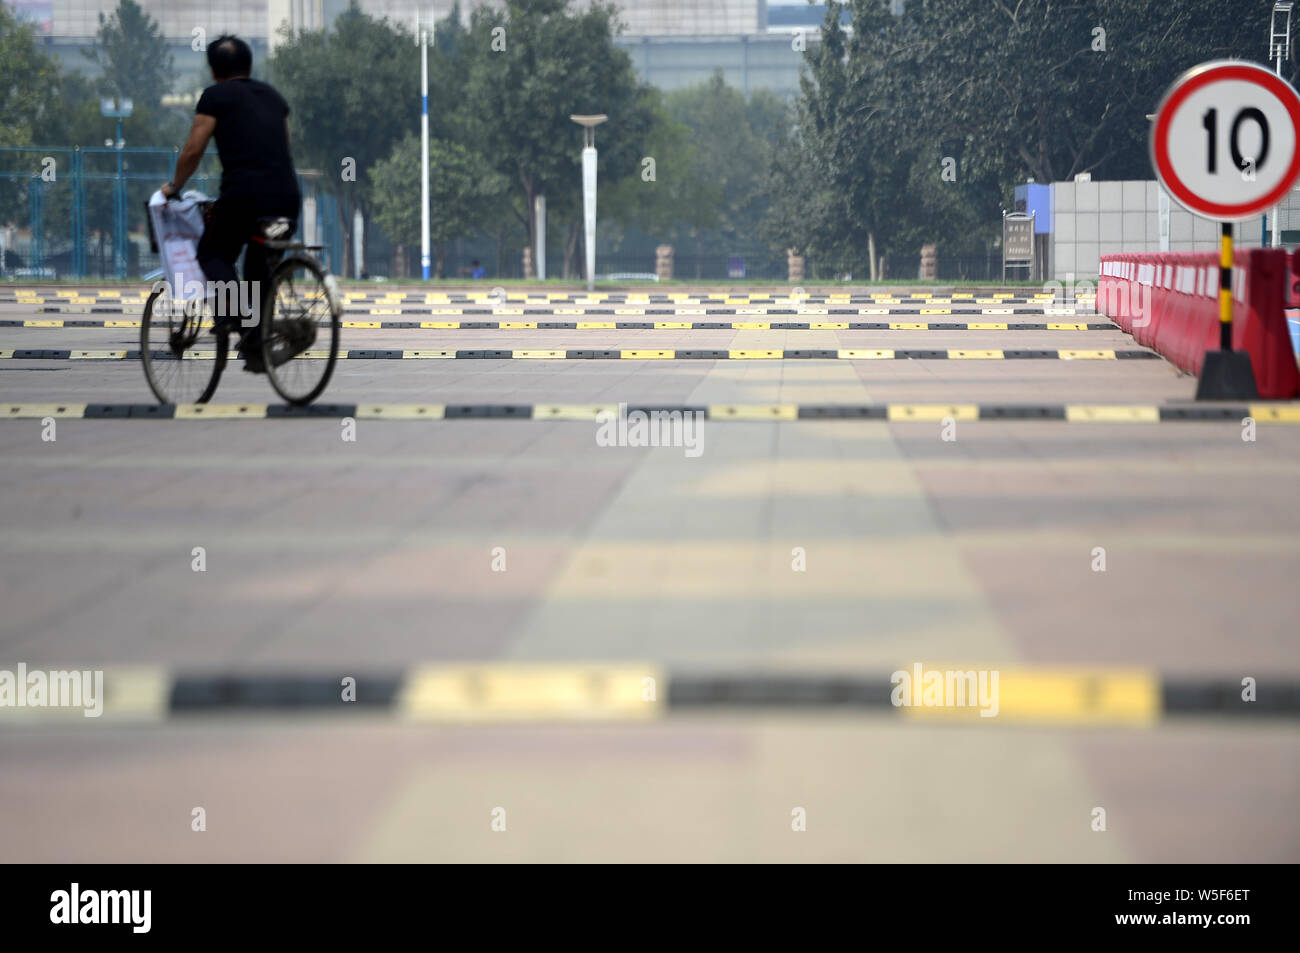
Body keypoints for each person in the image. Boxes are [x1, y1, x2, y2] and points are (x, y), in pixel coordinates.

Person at [159, 35, 301, 372]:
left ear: (213, 70)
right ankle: (256, 338)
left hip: (244, 197)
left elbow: (193, 151)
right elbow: (283, 147)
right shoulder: (273, 97)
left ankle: (233, 314)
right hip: (286, 196)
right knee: (259, 262)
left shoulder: (215, 97)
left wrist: (173, 187)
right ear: (249, 65)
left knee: (213, 253)